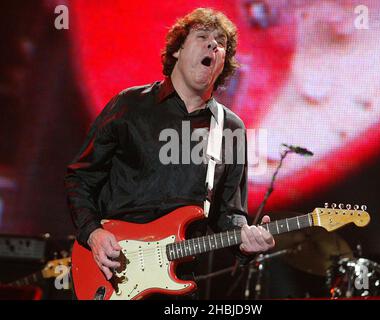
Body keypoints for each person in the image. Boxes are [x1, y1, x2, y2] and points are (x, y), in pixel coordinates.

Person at [64, 7, 275, 292]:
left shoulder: (230, 128)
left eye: (221, 43)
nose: (213, 45)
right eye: (202, 37)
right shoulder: (129, 105)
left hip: (179, 281)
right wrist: (93, 234)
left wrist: (247, 244)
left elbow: (229, 212)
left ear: (223, 63)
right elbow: (80, 178)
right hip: (111, 271)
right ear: (177, 50)